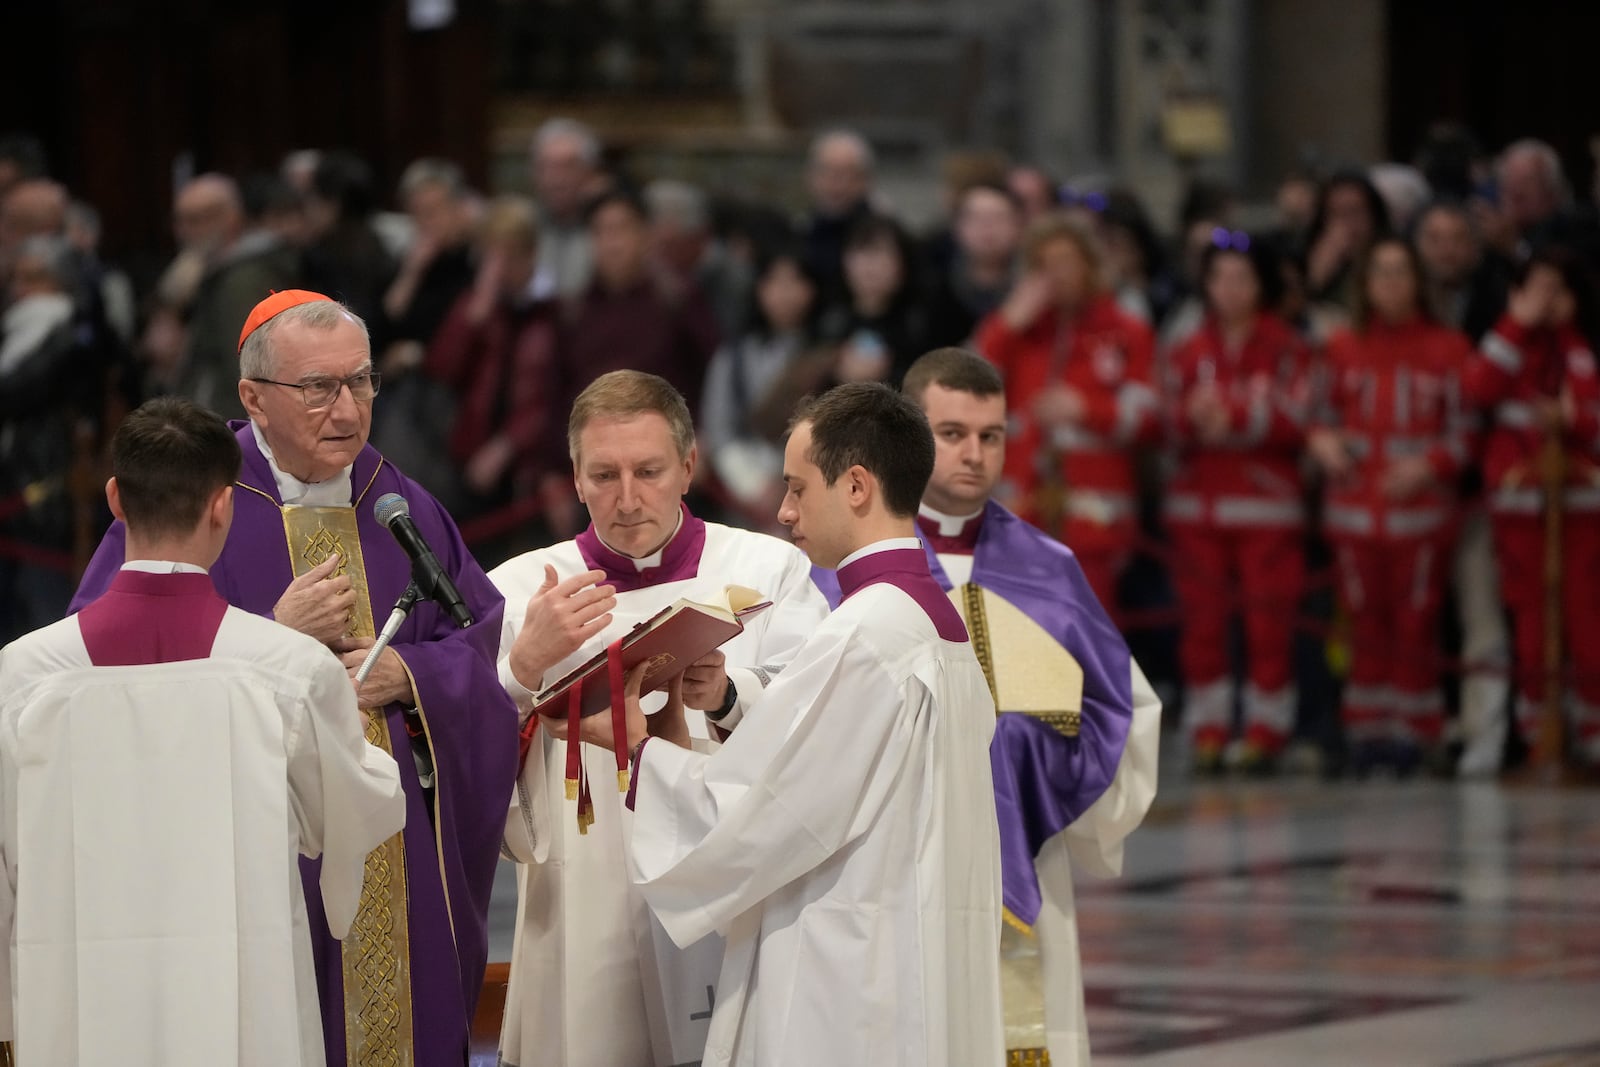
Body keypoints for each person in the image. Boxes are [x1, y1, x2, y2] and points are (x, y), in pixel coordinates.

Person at [69, 291, 519, 1066]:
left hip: (394, 837)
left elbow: (480, 640)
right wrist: (272, 641)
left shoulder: (396, 498)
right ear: (253, 397)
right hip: (255, 840)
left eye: (362, 381)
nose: (346, 407)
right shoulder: (195, 498)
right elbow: (107, 672)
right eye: (318, 387)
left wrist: (408, 673)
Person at [555, 380, 1004, 1067]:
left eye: (797, 487)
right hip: (919, 952)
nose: (786, 509)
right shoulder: (933, 625)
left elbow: (767, 818)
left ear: (855, 486)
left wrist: (640, 748)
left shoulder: (863, 634)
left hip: (852, 982)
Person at [0, 396, 405, 1065]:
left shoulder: (22, 676)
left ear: (114, 499)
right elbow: (352, 810)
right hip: (247, 997)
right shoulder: (289, 669)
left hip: (80, 996)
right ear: (224, 505)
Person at [488, 369, 829, 1067]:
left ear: (689, 465)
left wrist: (727, 695)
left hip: (723, 888)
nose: (627, 498)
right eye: (604, 474)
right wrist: (521, 669)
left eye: (648, 470)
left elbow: (818, 726)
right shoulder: (523, 590)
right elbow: (464, 750)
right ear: (575, 478)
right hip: (584, 901)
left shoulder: (767, 570)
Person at [902, 348, 1160, 1065]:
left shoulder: (1048, 567)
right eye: (952, 432)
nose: (975, 454)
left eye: (992, 435)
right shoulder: (854, 564)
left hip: (1023, 853)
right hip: (894, 865)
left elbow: (1125, 711)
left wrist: (1038, 762)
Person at [1311, 238, 1473, 773]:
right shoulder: (1341, 347)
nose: (1390, 284)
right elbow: (1315, 415)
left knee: (1416, 622)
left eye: (1400, 273)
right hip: (1355, 514)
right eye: (1379, 273)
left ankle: (1415, 730)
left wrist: (1429, 466)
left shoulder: (1448, 349)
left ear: (1418, 281)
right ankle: (1368, 731)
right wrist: (1324, 442)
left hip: (1420, 515)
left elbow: (1467, 431)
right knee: (1362, 621)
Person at [1164, 235, 1313, 773]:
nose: (1229, 290)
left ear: (1262, 285)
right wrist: (1192, 419)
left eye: (1242, 278)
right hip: (1197, 508)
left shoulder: (1288, 347)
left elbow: (1302, 418)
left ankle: (1265, 729)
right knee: (1202, 622)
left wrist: (1237, 419)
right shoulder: (1187, 347)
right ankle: (1207, 727)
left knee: (1267, 620)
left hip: (1266, 508)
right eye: (1219, 278)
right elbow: (1162, 418)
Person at [975, 211, 1159, 609]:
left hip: (1095, 516)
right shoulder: (1017, 332)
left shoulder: (1126, 331)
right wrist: (1006, 323)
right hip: (1021, 510)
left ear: (1090, 266)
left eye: (1065, 262)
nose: (1054, 275)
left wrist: (1086, 409)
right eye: (1042, 266)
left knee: (1086, 634)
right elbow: (961, 386)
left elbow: (1148, 419)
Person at [1465, 249, 1600, 765]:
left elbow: (1588, 414)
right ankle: (1535, 725)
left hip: (1581, 508)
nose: (1546, 302)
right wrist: (1515, 325)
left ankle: (1589, 724)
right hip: (1520, 506)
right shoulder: (1507, 345)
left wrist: (1574, 422)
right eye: (1535, 289)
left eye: (1556, 290)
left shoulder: (1582, 349)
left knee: (1586, 618)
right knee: (1529, 619)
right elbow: (1478, 388)